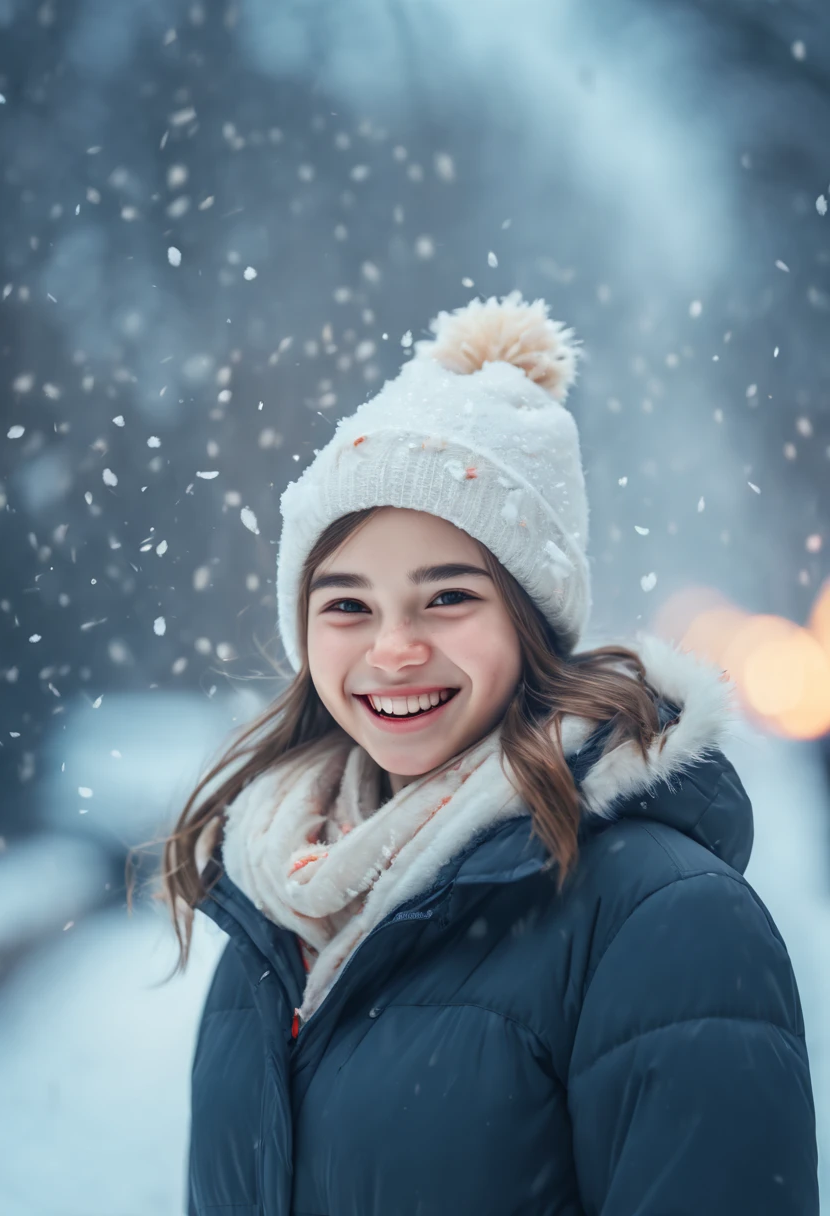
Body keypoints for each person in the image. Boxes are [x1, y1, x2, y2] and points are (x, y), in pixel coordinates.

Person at [160, 292, 818, 1215]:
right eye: (347, 604)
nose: (392, 648)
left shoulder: (665, 920)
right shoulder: (282, 916)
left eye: (447, 598)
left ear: (531, 619)